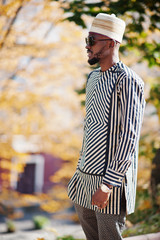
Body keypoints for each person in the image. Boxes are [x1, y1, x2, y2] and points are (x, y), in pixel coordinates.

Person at [68, 13, 145, 240]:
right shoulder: (92, 78)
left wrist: (107, 185)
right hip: (83, 179)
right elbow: (90, 128)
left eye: (92, 40)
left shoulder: (128, 80)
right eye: (87, 40)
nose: (87, 46)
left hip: (108, 185)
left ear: (111, 43)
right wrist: (78, 172)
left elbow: (128, 138)